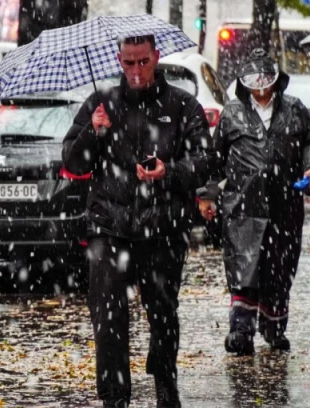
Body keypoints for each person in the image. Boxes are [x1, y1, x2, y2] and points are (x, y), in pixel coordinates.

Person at [62, 35, 212, 408]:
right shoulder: (101, 103)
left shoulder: (182, 105)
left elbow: (207, 162)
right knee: (108, 311)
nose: (135, 70)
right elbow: (73, 162)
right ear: (118, 60)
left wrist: (169, 172)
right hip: (109, 226)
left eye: (142, 61)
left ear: (156, 57)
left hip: (162, 225)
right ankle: (114, 395)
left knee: (163, 309)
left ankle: (164, 380)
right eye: (128, 63)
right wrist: (93, 132)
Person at [198, 48, 310, 356]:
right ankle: (240, 330)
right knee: (244, 267)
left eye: (265, 79)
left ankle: (274, 326)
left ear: (276, 80)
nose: (260, 86)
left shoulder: (294, 110)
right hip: (243, 205)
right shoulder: (232, 113)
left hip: (284, 205)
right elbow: (215, 158)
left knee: (279, 269)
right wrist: (206, 194)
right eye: (253, 80)